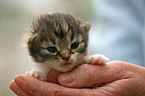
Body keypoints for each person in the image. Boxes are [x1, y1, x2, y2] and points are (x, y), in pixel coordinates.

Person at [10, 0, 145, 95]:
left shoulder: (88, 59)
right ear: (32, 47)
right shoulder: (37, 74)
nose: (66, 56)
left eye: (74, 45)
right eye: (52, 49)